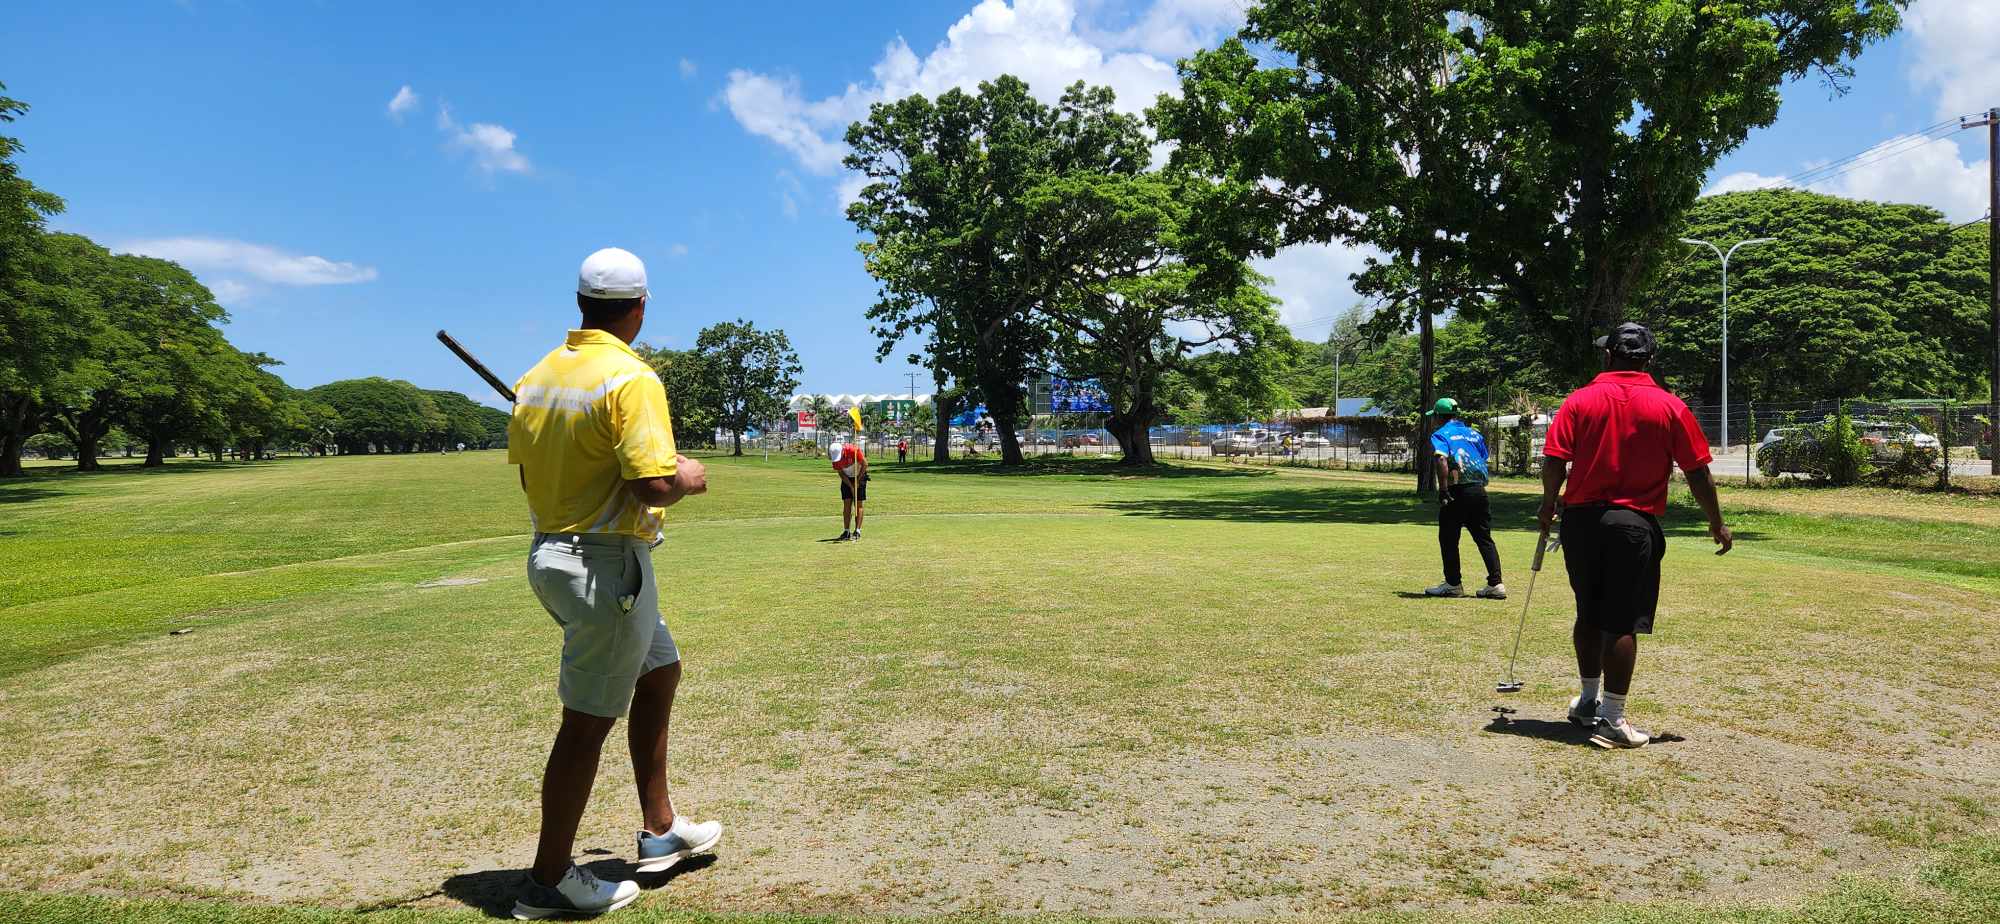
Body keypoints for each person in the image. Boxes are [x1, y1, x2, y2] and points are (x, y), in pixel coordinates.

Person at [505, 247, 724, 919]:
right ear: (640, 307)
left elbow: (529, 476)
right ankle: (549, 881)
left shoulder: (537, 377)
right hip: (606, 569)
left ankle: (661, 828)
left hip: (555, 556)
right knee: (587, 722)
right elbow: (653, 481)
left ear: (581, 303)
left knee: (659, 670)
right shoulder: (631, 378)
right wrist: (689, 475)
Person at [1540, 322, 1733, 749]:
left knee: (1589, 611)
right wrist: (1715, 521)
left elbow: (1555, 459)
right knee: (1622, 621)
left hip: (1582, 521)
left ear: (1609, 355)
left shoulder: (1578, 401)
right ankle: (1611, 716)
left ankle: (1588, 702)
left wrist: (1549, 503)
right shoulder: (1668, 406)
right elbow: (1697, 471)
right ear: (1649, 360)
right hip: (1632, 523)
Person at [1422, 398, 1505, 600]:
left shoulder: (1441, 434)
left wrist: (1443, 489)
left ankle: (1453, 584)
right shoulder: (1473, 433)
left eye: (1434, 417)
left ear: (1439, 417)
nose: (1433, 420)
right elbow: (1482, 457)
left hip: (1457, 491)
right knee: (1484, 538)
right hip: (1479, 491)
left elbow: (1441, 458)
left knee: (1449, 538)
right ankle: (1496, 584)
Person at [830, 440, 868, 541]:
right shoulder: (834, 457)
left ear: (843, 451)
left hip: (860, 475)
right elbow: (841, 473)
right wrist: (850, 485)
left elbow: (865, 464)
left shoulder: (853, 450)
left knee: (858, 504)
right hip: (847, 478)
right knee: (847, 503)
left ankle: (857, 531)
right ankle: (846, 531)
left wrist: (857, 480)